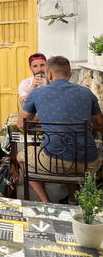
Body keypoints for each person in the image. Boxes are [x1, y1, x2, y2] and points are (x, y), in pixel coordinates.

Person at [17, 56, 103, 203]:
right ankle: (72, 199)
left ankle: (46, 201)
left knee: (21, 156)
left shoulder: (37, 93)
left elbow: (21, 123)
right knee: (72, 156)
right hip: (88, 163)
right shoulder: (87, 93)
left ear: (49, 75)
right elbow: (100, 124)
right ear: (69, 74)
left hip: (52, 160)